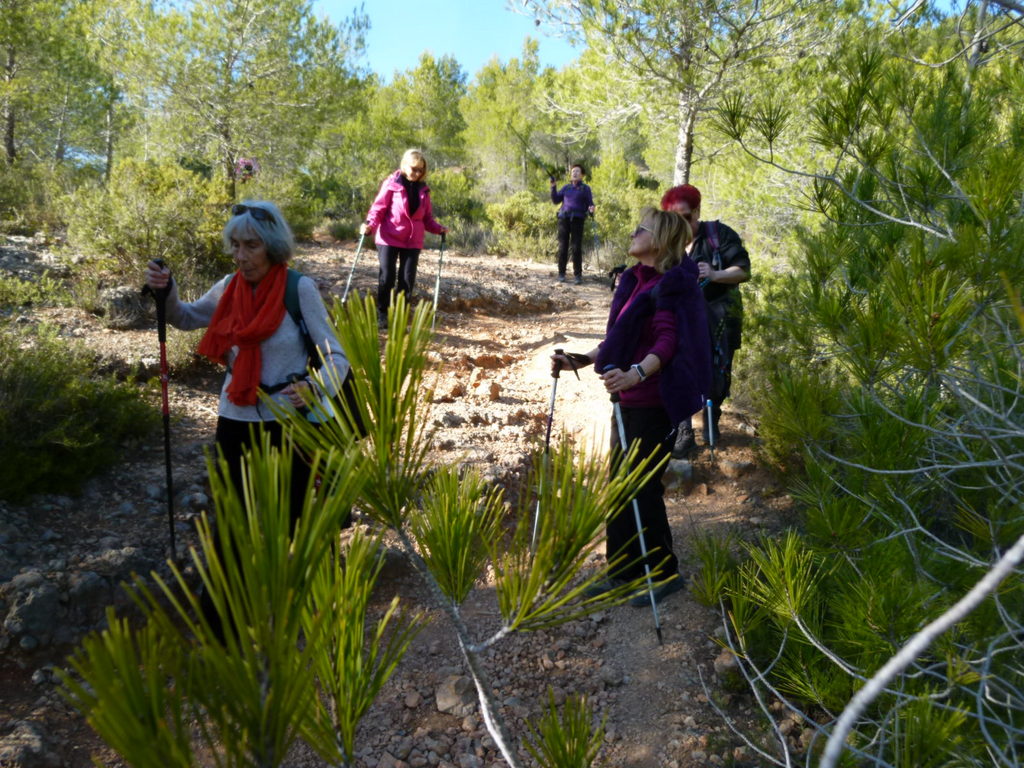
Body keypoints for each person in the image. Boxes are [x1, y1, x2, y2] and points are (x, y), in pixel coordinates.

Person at [145, 200, 348, 523]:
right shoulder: (228, 287)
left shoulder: (300, 289)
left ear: (273, 246)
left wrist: (315, 386)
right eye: (236, 246)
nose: (241, 256)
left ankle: (295, 573)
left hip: (289, 420)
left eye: (252, 246)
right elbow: (183, 317)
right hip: (235, 416)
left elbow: (336, 357)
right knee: (234, 516)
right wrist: (167, 289)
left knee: (293, 515)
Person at [551, 208, 710, 605]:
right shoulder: (635, 279)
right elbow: (620, 339)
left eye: (642, 229)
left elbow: (667, 342)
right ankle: (621, 571)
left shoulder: (670, 285)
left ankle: (663, 573)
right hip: (628, 400)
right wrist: (583, 360)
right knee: (620, 486)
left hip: (653, 403)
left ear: (658, 242)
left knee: (641, 487)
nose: (634, 232)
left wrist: (637, 374)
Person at [660, 184, 750, 456]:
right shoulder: (666, 244)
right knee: (677, 368)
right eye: (675, 218)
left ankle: (713, 416)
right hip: (683, 320)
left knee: (719, 372)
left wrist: (714, 273)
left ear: (697, 211)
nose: (681, 224)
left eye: (686, 217)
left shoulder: (719, 235)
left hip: (720, 316)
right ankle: (683, 430)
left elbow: (743, 271)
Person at [360, 149, 447, 326]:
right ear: (404, 165)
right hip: (389, 237)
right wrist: (370, 225)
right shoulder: (392, 184)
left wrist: (439, 229)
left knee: (407, 280)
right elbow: (378, 208)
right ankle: (382, 316)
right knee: (387, 276)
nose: (417, 173)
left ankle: (400, 318)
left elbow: (426, 218)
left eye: (421, 170)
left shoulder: (424, 190)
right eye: (414, 168)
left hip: (412, 241)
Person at [550, 163, 595, 285]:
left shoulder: (585, 189)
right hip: (563, 219)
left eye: (577, 171)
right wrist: (553, 186)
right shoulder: (566, 188)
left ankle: (578, 276)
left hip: (578, 220)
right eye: (573, 171)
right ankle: (561, 274)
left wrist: (591, 209)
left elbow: (590, 203)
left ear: (582, 175)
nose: (574, 173)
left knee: (576, 248)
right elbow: (555, 200)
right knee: (562, 247)